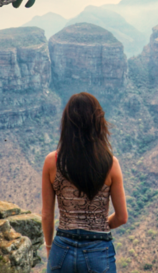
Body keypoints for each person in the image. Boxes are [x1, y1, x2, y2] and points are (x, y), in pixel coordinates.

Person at [41, 92, 128, 273]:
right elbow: (122, 217)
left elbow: (47, 215)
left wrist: (49, 247)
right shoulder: (110, 164)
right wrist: (98, 225)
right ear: (97, 123)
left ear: (67, 123)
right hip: (98, 251)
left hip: (62, 250)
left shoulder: (52, 162)